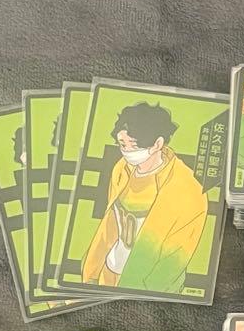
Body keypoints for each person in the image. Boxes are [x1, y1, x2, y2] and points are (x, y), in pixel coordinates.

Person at [81, 102, 207, 292]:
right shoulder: (122, 169)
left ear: (157, 144)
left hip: (148, 284)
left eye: (133, 146)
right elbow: (110, 225)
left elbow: (177, 255)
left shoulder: (188, 188)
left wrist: (147, 293)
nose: (127, 152)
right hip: (109, 272)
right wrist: (91, 273)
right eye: (122, 144)